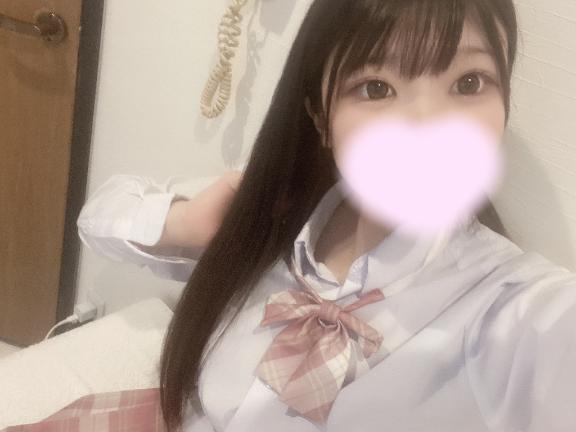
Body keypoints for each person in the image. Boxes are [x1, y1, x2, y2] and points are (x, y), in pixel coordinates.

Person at [78, 1, 576, 431]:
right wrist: (189, 227)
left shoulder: (519, 310)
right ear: (321, 117)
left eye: (469, 82)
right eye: (376, 87)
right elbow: (99, 217)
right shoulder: (278, 221)